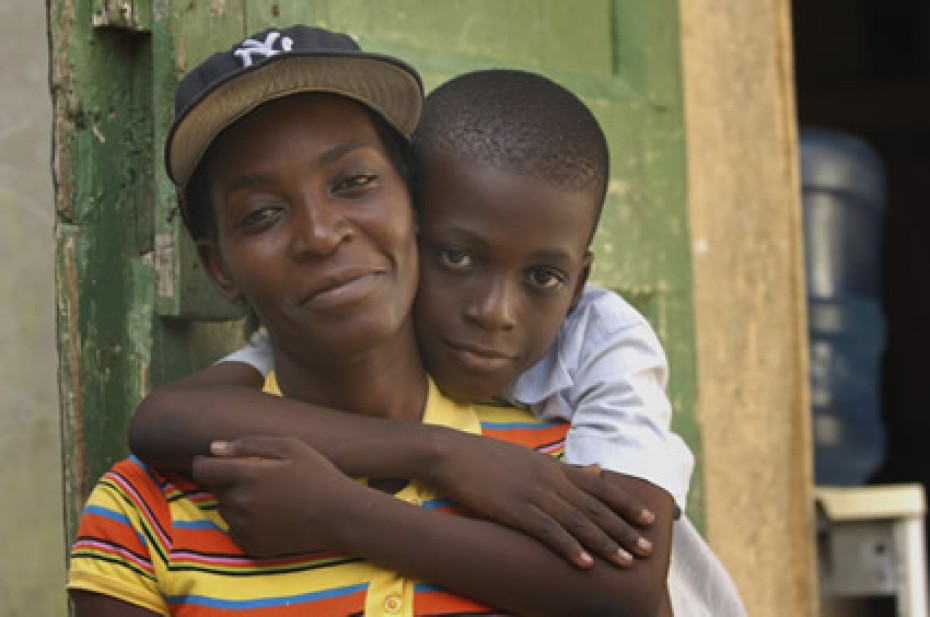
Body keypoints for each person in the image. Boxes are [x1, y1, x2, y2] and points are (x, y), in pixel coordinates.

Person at [67, 25, 676, 616]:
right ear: (219, 266)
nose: (321, 234)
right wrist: (448, 456)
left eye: (354, 182)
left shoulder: (567, 475)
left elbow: (627, 592)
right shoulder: (144, 512)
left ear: (417, 204)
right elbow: (163, 419)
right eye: (261, 215)